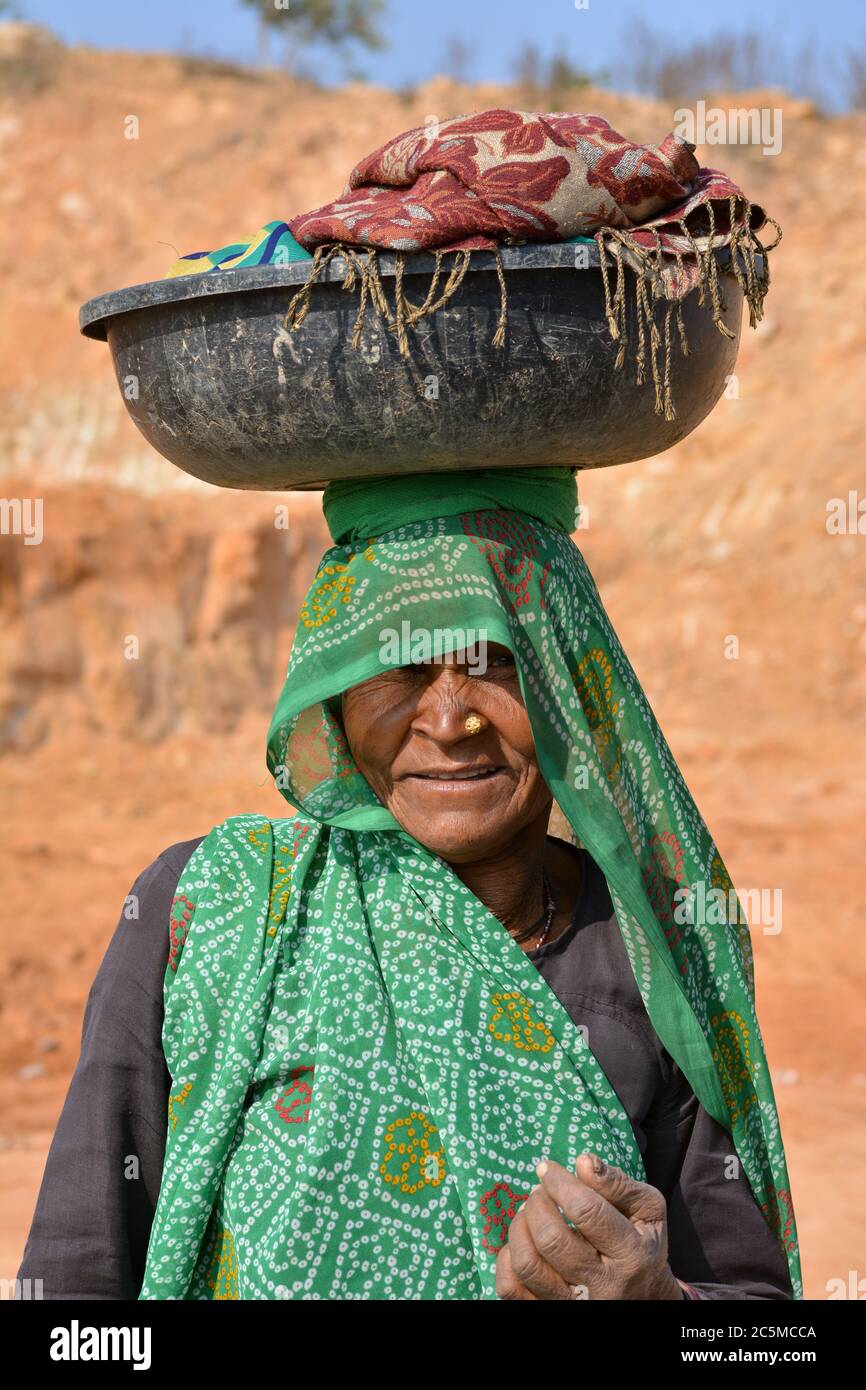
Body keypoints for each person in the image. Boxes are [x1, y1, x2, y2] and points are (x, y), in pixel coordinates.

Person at [17, 468, 801, 1301]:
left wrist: (658, 1300)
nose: (449, 718)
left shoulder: (653, 957)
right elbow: (76, 1280)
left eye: (495, 660)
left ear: (568, 677)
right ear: (337, 691)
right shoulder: (214, 909)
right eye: (399, 668)